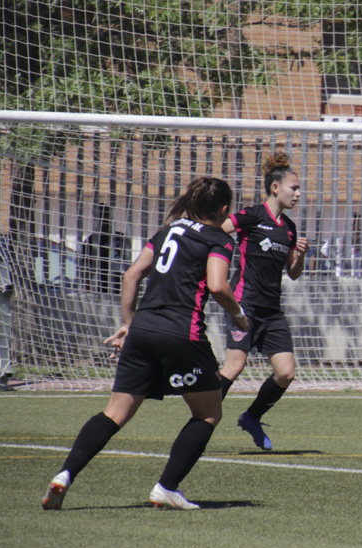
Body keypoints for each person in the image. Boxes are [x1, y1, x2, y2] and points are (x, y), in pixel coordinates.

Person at [41, 177, 249, 510]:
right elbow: (217, 285)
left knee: (114, 413)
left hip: (141, 333)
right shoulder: (218, 239)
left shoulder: (166, 232)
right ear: (224, 210)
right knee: (208, 413)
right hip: (182, 334)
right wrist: (239, 314)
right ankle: (166, 487)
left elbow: (130, 275)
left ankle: (65, 474)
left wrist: (127, 324)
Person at [217, 151, 309, 451]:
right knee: (234, 367)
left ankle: (252, 417)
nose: (297, 193)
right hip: (244, 305)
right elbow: (217, 231)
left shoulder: (290, 228)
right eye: (293, 188)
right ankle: (203, 415)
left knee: (286, 373)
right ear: (275, 188)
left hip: (272, 310)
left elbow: (293, 274)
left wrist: (300, 254)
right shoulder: (252, 216)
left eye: (298, 189)